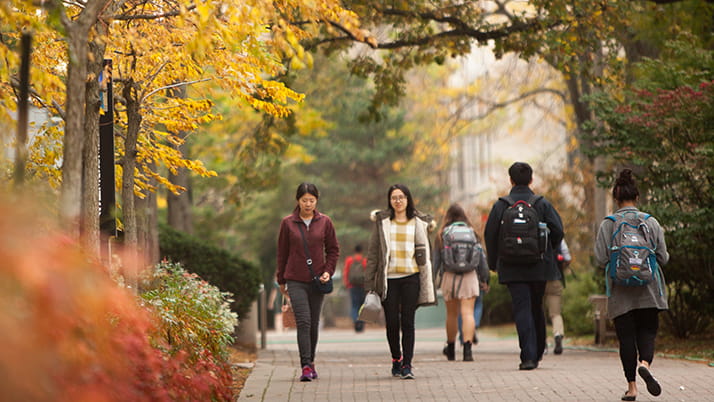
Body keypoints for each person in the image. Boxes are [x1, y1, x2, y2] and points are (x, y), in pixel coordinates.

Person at [595, 169, 668, 401]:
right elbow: (663, 257)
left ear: (616, 199)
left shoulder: (608, 224)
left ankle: (632, 388)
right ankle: (644, 363)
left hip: (620, 293)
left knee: (626, 339)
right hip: (649, 291)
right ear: (637, 198)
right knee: (647, 332)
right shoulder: (651, 222)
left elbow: (600, 259)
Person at [484, 162, 564, 370]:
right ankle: (537, 351)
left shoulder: (501, 205)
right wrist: (547, 251)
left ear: (510, 180)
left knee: (522, 308)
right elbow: (558, 230)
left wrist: (494, 263)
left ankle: (527, 356)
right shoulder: (541, 204)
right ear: (531, 180)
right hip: (539, 265)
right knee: (536, 306)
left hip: (511, 266)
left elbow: (490, 235)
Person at [364, 184, 436, 380]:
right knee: (392, 322)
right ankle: (396, 358)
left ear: (408, 199)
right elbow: (373, 254)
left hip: (411, 278)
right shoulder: (383, 223)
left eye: (401, 197)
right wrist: (370, 283)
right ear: (389, 201)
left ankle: (407, 364)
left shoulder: (418, 222)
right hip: (389, 279)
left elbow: (428, 254)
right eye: (394, 197)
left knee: (408, 322)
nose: (398, 201)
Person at [276, 183, 340, 382]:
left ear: (316, 201)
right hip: (295, 279)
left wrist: (328, 272)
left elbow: (333, 250)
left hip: (317, 280)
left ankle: (311, 362)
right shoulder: (288, 223)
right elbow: (282, 253)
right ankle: (304, 365)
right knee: (303, 322)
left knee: (313, 324)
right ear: (298, 200)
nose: (308, 204)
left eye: (311, 200)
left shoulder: (325, 222)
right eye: (304, 200)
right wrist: (281, 280)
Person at [433, 203, 489, 362]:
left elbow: (436, 261)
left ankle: (450, 349)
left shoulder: (442, 234)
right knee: (468, 313)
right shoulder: (473, 233)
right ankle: (467, 351)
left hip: (449, 276)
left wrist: (433, 280)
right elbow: (481, 259)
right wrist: (484, 279)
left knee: (451, 314)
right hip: (470, 276)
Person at [544, 238, 571, 355]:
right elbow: (567, 258)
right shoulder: (558, 236)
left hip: (536, 279)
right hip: (555, 278)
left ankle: (541, 341)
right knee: (555, 313)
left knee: (537, 312)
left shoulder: (532, 230)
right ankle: (558, 335)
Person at [343, 244, 367, 332]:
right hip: (363, 286)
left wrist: (346, 283)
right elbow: (368, 273)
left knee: (354, 305)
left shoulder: (349, 260)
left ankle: (355, 320)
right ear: (361, 251)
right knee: (362, 305)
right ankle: (361, 323)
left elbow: (346, 272)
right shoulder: (364, 260)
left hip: (352, 286)